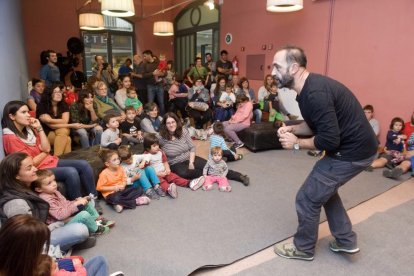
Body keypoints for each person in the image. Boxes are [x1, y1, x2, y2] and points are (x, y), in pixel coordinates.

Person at [273, 45, 378, 261]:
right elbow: (314, 126)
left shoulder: (315, 93)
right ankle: (345, 240)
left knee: (308, 197)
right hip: (354, 148)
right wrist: (293, 128)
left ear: (294, 68)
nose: (272, 72)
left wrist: (296, 144)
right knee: (325, 191)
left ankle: (303, 248)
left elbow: (329, 139)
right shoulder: (307, 90)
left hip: (352, 152)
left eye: (277, 66)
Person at [2, 101, 99, 203]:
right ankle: (80, 205)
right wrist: (45, 152)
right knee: (71, 172)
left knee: (84, 164)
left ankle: (93, 199)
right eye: (23, 112)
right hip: (36, 169)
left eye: (28, 112)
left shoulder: (29, 130)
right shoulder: (10, 138)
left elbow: (46, 147)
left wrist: (39, 128)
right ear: (12, 116)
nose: (28, 115)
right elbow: (31, 163)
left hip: (48, 160)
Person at [0, 154, 93, 252]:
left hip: (44, 228)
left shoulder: (27, 187)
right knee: (80, 230)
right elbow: (26, 238)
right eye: (29, 168)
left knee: (83, 215)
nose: (35, 169)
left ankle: (70, 242)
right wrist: (56, 225)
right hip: (36, 242)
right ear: (17, 176)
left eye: (33, 165)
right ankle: (66, 245)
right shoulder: (16, 203)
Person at [0, 214, 112, 276]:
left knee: (99, 260)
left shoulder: (21, 259)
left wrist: (65, 263)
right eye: (40, 244)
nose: (42, 247)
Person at [157, 112, 250, 186]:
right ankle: (211, 175)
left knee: (211, 166)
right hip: (175, 163)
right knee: (184, 173)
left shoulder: (183, 131)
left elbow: (192, 147)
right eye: (168, 123)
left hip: (190, 157)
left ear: (176, 122)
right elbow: (153, 148)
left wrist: (191, 162)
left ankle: (240, 176)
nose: (171, 125)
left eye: (173, 122)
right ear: (165, 125)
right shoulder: (161, 137)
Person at [33, 169, 113, 235]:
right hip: (60, 224)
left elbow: (65, 204)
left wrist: (77, 201)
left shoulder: (54, 192)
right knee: (84, 214)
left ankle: (98, 220)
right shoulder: (45, 200)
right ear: (39, 189)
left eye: (54, 180)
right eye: (49, 183)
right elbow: (60, 216)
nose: (54, 184)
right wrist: (76, 204)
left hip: (67, 217)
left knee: (85, 203)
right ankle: (96, 230)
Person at [144, 134, 198, 199]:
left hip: (164, 171)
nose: (157, 147)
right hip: (155, 175)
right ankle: (169, 189)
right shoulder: (146, 156)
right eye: (154, 146)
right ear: (148, 148)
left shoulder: (160, 152)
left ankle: (189, 183)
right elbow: (147, 170)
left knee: (174, 177)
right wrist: (158, 174)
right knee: (162, 182)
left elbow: (165, 162)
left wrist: (167, 169)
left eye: (157, 145)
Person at [97, 148, 150, 213]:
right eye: (114, 160)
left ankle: (120, 204)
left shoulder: (120, 168)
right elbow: (99, 188)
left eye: (118, 159)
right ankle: (135, 201)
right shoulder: (104, 174)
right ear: (107, 164)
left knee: (139, 189)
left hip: (122, 190)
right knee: (115, 198)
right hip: (111, 194)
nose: (118, 161)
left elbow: (124, 179)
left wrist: (123, 185)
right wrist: (114, 188)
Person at [37, 83, 73, 156]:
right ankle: (59, 160)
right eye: (55, 92)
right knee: (66, 135)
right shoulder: (42, 105)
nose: (58, 94)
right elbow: (51, 126)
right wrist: (61, 122)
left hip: (60, 131)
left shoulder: (63, 104)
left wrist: (50, 120)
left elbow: (65, 121)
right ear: (49, 94)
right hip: (45, 133)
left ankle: (57, 160)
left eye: (59, 92)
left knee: (65, 134)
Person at [142, 50, 166, 115]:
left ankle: (163, 117)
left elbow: (165, 73)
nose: (144, 58)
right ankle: (150, 117)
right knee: (150, 103)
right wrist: (153, 73)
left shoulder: (158, 62)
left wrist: (161, 74)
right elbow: (143, 75)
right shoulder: (144, 65)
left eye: (145, 56)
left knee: (161, 102)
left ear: (149, 55)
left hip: (160, 85)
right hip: (150, 86)